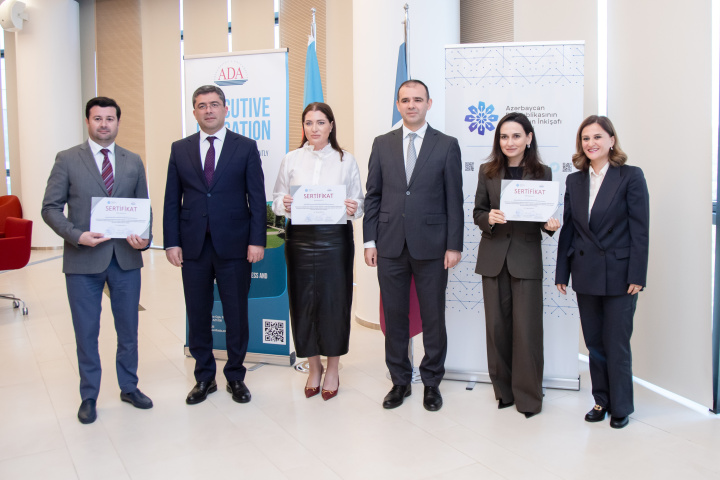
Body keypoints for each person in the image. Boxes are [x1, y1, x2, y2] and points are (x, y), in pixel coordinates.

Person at [42, 96, 153, 424]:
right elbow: (50, 208)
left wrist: (144, 238)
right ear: (87, 121)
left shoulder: (132, 161)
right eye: (97, 118)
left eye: (110, 118)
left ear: (118, 122)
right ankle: (89, 395)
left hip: (125, 259)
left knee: (128, 329)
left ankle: (129, 387)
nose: (104, 124)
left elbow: (143, 207)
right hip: (83, 261)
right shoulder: (67, 159)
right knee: (86, 332)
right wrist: (76, 235)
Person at [364, 79, 463, 412]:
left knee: (433, 317)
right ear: (398, 104)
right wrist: (369, 240)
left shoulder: (446, 145)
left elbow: (454, 199)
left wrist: (453, 245)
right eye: (405, 100)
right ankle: (400, 381)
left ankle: (431, 382)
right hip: (390, 244)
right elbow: (373, 196)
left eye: (418, 100)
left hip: (433, 247)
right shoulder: (382, 144)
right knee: (395, 318)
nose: (411, 105)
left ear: (428, 104)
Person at [163, 85, 266, 405]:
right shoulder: (179, 149)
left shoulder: (245, 147)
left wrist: (257, 240)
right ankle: (204, 377)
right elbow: (171, 200)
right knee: (197, 313)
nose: (208, 110)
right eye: (202, 105)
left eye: (214, 104)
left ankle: (235, 376)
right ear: (194, 111)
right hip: (193, 245)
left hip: (235, 245)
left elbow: (257, 198)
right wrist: (171, 242)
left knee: (236, 313)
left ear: (225, 109)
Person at [556, 115, 649, 429]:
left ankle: (621, 405)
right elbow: (570, 229)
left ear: (611, 140)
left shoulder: (630, 176)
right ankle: (601, 400)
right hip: (586, 272)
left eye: (597, 137)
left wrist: (637, 274)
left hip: (621, 274)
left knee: (616, 343)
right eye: (585, 138)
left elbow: (640, 230)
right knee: (594, 343)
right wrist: (561, 272)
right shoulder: (575, 180)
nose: (591, 143)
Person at [272, 102, 364, 401]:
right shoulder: (291, 159)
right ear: (303, 127)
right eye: (309, 123)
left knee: (335, 302)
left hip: (335, 239)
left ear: (331, 125)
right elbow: (276, 198)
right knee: (303, 302)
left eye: (321, 122)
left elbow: (360, 203)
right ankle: (314, 366)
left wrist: (353, 207)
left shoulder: (346, 160)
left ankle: (333, 368)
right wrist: (283, 204)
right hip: (299, 239)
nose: (315, 128)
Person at [473, 112, 560, 418]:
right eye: (503, 136)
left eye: (516, 136)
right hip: (493, 257)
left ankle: (529, 398)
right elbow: (478, 211)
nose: (509, 142)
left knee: (527, 330)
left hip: (526, 257)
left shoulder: (543, 173)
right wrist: (488, 218)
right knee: (496, 329)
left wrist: (550, 225)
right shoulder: (487, 171)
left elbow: (543, 218)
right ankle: (504, 392)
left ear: (529, 138)